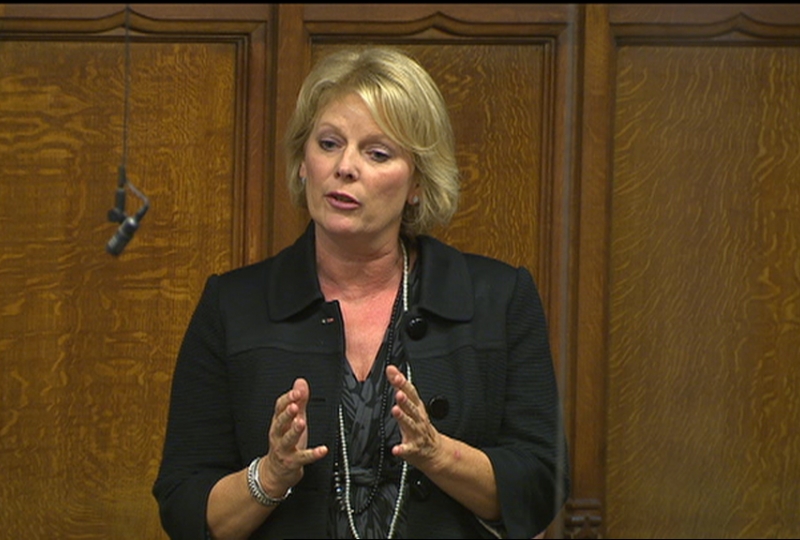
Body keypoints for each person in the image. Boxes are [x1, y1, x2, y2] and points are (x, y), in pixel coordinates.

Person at [152, 46, 569, 540]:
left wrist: (439, 455)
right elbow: (183, 506)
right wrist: (271, 475)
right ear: (303, 162)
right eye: (329, 144)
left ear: (417, 182)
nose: (345, 166)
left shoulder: (497, 299)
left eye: (377, 153)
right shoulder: (232, 305)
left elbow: (542, 484)